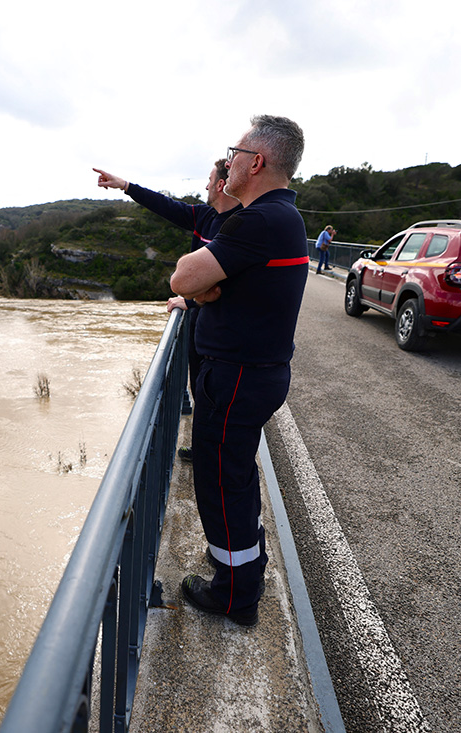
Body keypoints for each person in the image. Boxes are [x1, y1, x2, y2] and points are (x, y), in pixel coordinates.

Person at [168, 114, 310, 627]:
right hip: (254, 375)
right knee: (237, 477)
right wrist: (203, 290)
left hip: (237, 378)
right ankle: (243, 564)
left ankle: (234, 595)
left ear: (257, 162)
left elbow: (185, 275)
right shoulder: (281, 217)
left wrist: (197, 288)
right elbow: (204, 286)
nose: (228, 161)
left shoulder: (257, 220)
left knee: (222, 482)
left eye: (235, 152)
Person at [93, 161, 241, 462]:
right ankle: (204, 449)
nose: (205, 186)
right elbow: (166, 206)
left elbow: (230, 283)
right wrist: (126, 186)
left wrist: (189, 301)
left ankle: (217, 455)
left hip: (221, 328)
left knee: (216, 395)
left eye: (209, 180)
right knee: (200, 387)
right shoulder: (205, 216)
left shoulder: (238, 224)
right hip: (200, 321)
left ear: (221, 185)